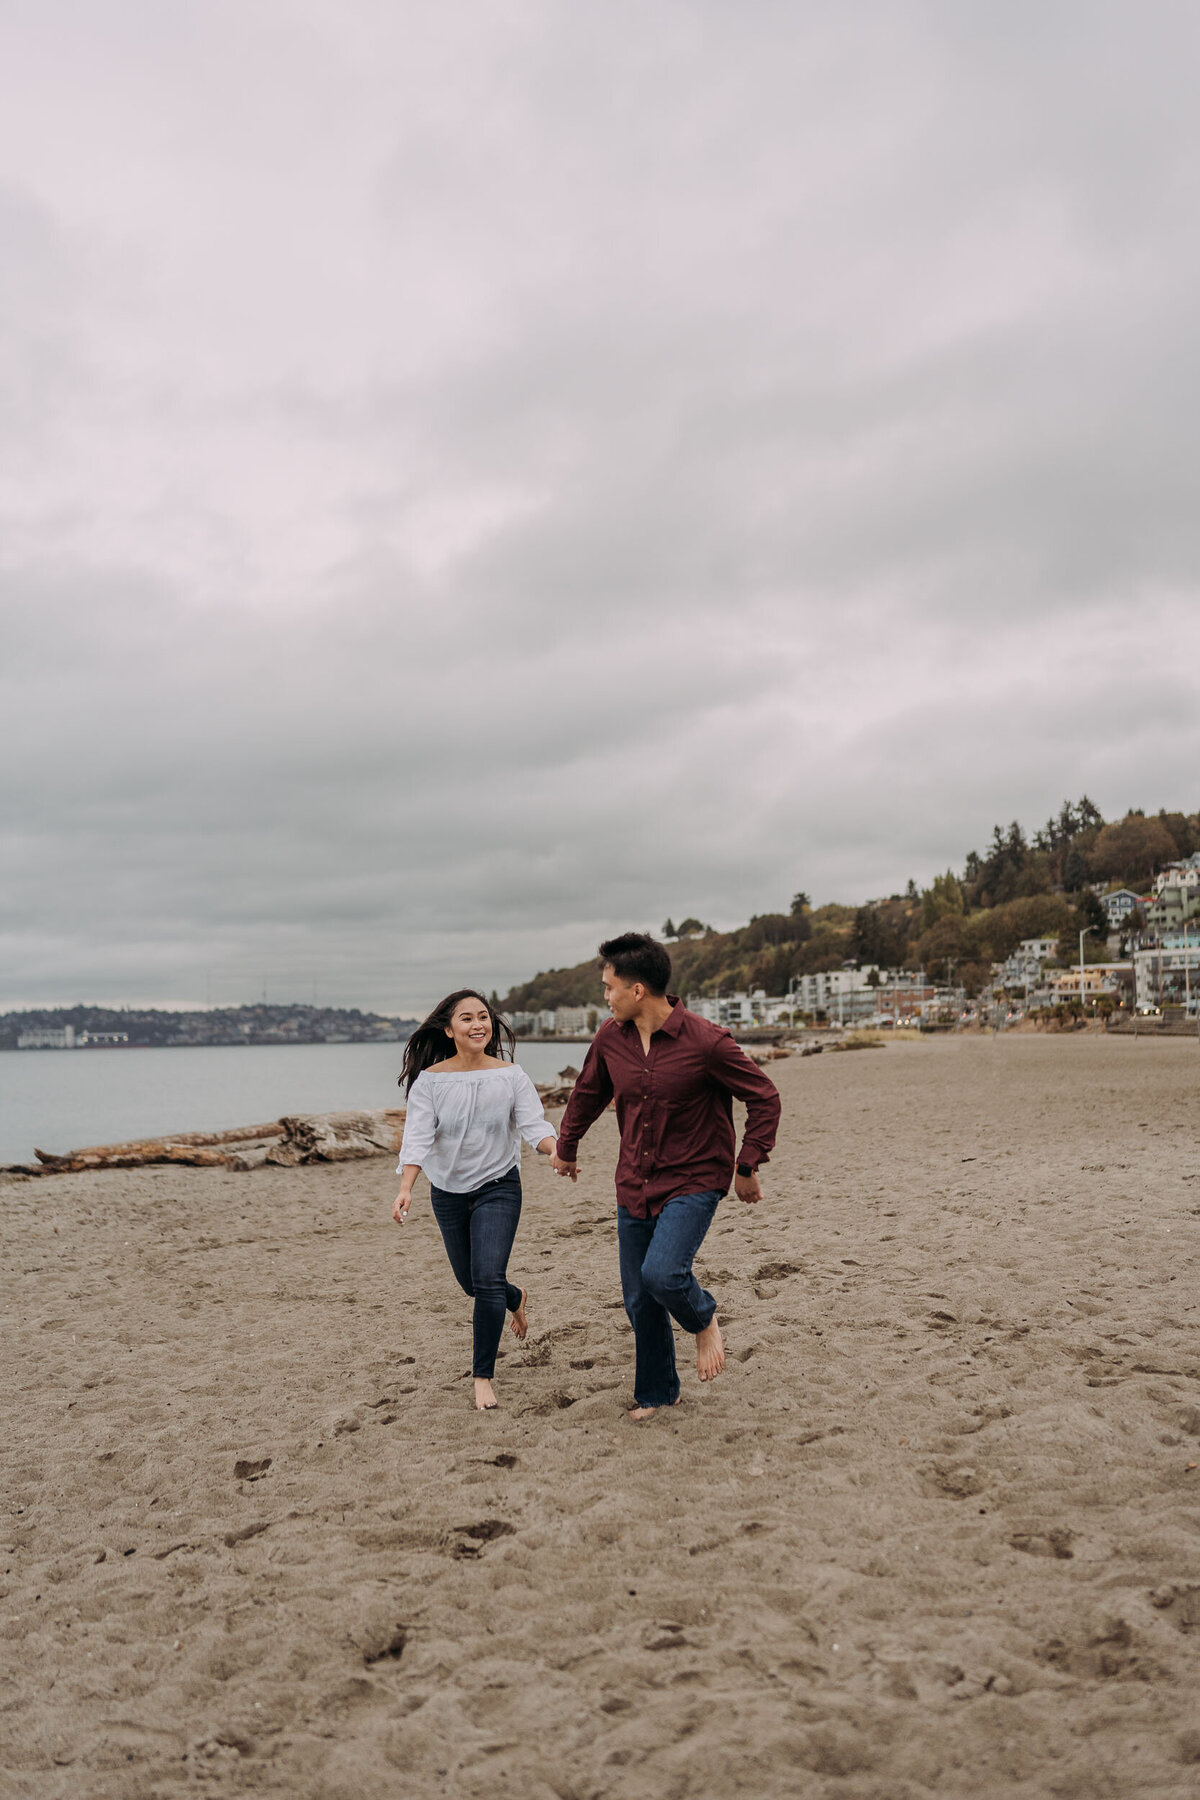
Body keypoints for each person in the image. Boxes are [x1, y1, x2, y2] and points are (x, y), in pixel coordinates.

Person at [552, 933, 781, 1421]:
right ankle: (659, 1391)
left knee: (663, 1275)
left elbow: (764, 1096)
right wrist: (566, 1147)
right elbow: (588, 1092)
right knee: (638, 1297)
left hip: (695, 1179)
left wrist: (747, 1163)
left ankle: (704, 1320)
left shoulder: (707, 1041)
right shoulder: (610, 1039)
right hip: (634, 1179)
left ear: (638, 991)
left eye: (609, 987)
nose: (605, 997)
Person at [393, 989, 556, 1411]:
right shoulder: (429, 1083)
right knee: (471, 1284)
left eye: (483, 1016)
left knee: (485, 1279)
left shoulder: (511, 1075)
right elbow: (417, 1138)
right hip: (447, 1192)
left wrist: (556, 1151)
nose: (478, 1024)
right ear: (449, 1030)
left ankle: (483, 1376)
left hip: (499, 1186)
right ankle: (515, 1297)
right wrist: (407, 1187)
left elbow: (534, 1127)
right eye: (466, 1018)